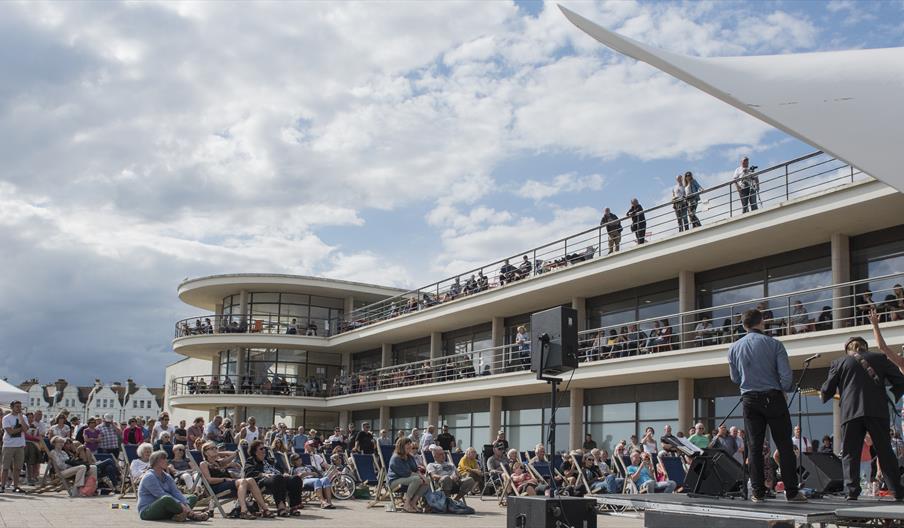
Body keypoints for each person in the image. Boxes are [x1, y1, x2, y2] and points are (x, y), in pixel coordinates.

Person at [820, 309, 904, 501]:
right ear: (865, 347)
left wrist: (824, 395)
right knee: (884, 451)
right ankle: (897, 491)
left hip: (850, 413)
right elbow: (900, 380)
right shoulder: (880, 359)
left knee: (850, 453)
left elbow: (828, 387)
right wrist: (891, 396)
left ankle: (852, 492)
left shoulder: (839, 362)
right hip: (877, 412)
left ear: (848, 349)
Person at [728, 308, 805, 503]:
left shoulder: (734, 348)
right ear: (761, 322)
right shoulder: (774, 344)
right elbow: (786, 378)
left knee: (754, 447)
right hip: (773, 398)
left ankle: (757, 492)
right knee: (785, 445)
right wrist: (783, 389)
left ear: (743, 325)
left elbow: (735, 378)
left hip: (749, 400)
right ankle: (792, 492)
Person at [199, 441, 271, 519]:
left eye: (215, 448)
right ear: (205, 452)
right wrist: (224, 479)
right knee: (243, 481)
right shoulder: (204, 464)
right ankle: (243, 511)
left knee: (251, 480)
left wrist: (218, 453)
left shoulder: (220, 462)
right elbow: (209, 480)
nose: (215, 449)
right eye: (212, 448)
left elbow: (234, 454)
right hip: (216, 487)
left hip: (228, 484)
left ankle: (265, 509)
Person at [244, 439, 301, 516]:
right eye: (261, 449)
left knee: (295, 479)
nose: (264, 450)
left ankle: (294, 507)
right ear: (255, 452)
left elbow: (281, 469)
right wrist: (263, 474)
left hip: (279, 478)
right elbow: (248, 473)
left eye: (264, 448)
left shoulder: (269, 460)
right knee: (278, 478)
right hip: (263, 481)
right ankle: (281, 507)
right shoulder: (251, 461)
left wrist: (284, 473)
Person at [387, 436, 428, 513]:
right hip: (394, 481)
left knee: (427, 481)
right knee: (417, 479)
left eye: (410, 444)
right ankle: (406, 504)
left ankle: (413, 502)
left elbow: (416, 469)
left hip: (407, 479)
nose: (410, 446)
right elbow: (406, 473)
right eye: (407, 444)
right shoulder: (396, 458)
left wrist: (423, 477)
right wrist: (421, 477)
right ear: (402, 445)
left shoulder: (410, 457)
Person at [1, 400, 29, 493]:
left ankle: (16, 486)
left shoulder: (24, 417)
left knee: (17, 468)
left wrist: (21, 419)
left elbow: (26, 430)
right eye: (17, 406)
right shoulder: (6, 418)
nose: (19, 408)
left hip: (20, 445)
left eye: (20, 406)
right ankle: (2, 486)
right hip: (8, 445)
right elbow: (10, 432)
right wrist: (21, 428)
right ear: (12, 407)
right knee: (5, 467)